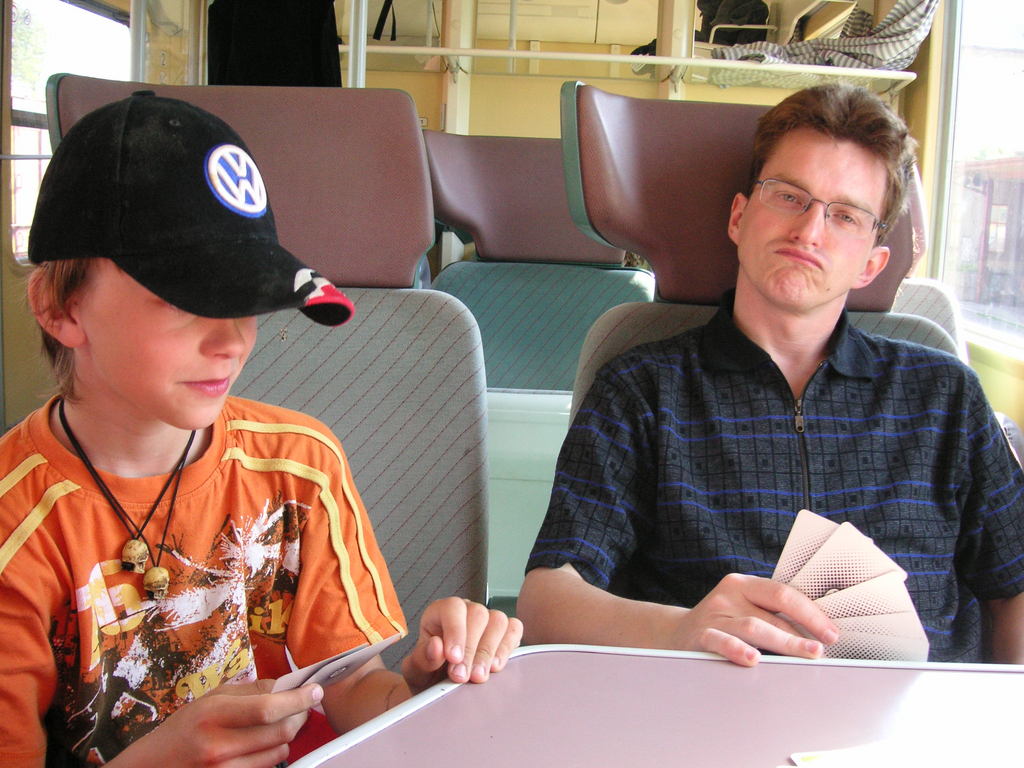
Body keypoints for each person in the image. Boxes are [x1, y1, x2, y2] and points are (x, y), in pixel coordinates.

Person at [0, 92, 522, 767]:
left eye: (247, 302)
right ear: (61, 309)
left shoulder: (300, 466)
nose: (231, 343)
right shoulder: (16, 524)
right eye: (186, 303)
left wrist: (427, 686)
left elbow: (350, 685)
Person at [517, 82, 1024, 667]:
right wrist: (683, 628)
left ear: (871, 263)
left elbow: (1014, 588)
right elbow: (545, 602)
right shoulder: (643, 390)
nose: (809, 231)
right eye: (788, 196)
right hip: (704, 707)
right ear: (739, 216)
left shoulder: (945, 397)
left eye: (845, 216)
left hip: (917, 714)